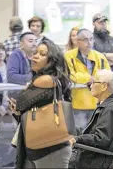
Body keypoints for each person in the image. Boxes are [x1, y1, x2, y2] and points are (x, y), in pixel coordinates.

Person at [9, 39, 72, 168]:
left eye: (42, 54)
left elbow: (20, 104)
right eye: (36, 52)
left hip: (50, 150)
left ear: (52, 61)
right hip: (38, 148)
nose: (35, 56)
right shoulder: (48, 81)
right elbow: (22, 112)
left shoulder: (46, 80)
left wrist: (27, 89)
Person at [71, 69, 113, 169]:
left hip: (95, 160)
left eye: (93, 82)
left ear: (104, 86)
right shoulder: (110, 105)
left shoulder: (111, 108)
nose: (90, 86)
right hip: (94, 156)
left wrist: (77, 139)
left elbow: (101, 139)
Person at [65, 28, 111, 131]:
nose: (89, 42)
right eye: (85, 40)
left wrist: (81, 78)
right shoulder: (69, 56)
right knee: (79, 133)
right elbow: (70, 76)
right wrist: (91, 78)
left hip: (97, 103)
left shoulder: (100, 57)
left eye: (91, 39)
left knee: (95, 132)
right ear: (77, 41)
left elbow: (107, 76)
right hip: (77, 103)